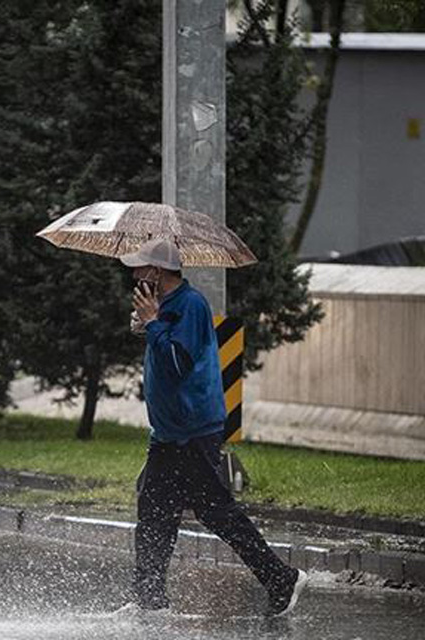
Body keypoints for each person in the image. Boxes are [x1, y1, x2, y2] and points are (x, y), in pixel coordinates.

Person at [116, 238, 307, 617]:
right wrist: (146, 324)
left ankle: (281, 579)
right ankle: (149, 598)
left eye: (140, 268)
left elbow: (177, 364)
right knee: (154, 512)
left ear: (157, 271)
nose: (134, 274)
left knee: (218, 512)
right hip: (169, 434)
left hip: (192, 431)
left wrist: (153, 325)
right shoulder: (166, 306)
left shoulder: (190, 305)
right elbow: (162, 347)